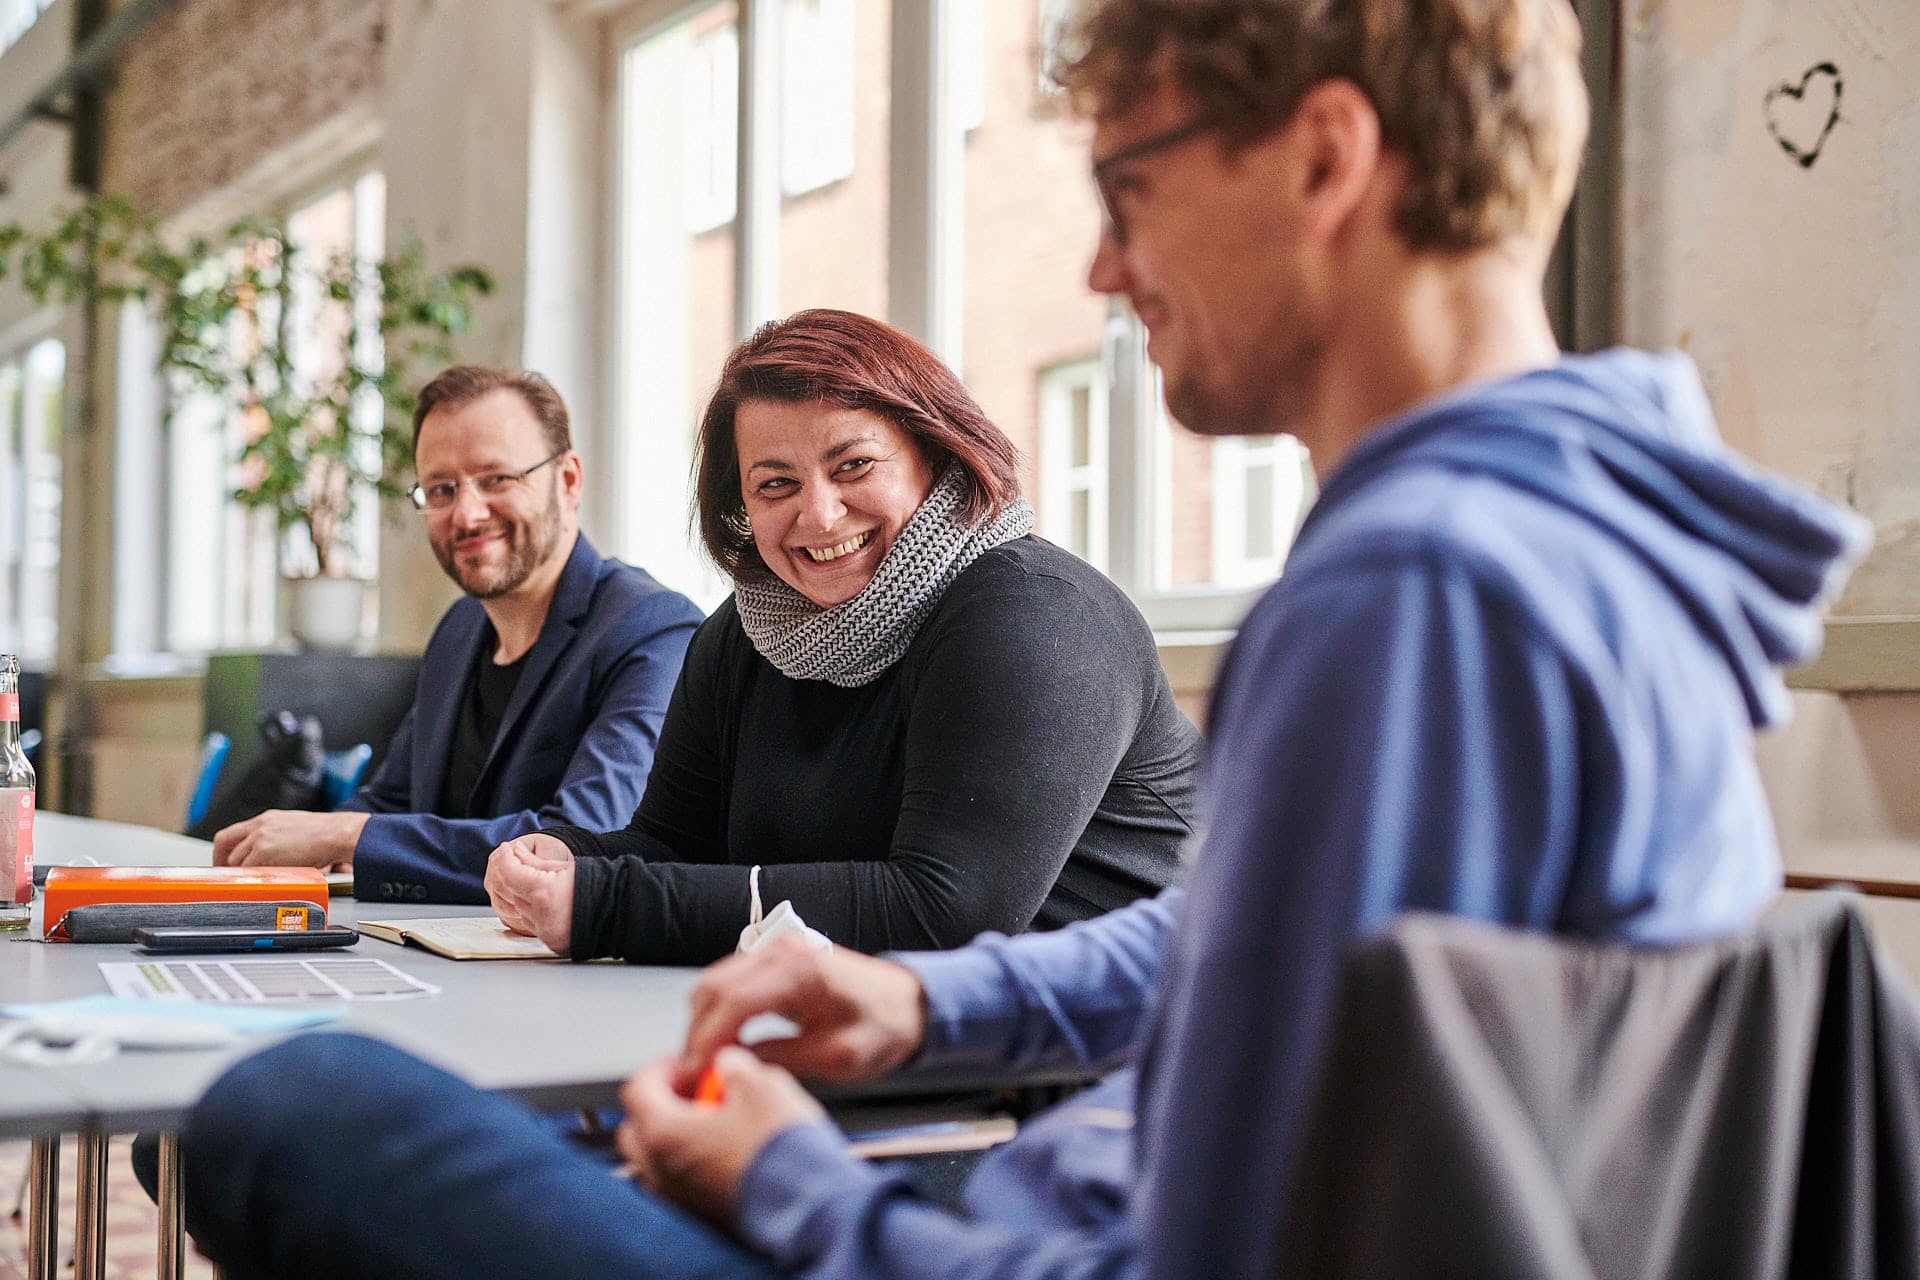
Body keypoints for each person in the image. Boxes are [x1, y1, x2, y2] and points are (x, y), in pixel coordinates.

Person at [174, 1, 1871, 1278]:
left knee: (286, 1108)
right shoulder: (1588, 520)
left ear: (1326, 157)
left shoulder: (1410, 602)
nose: (1104, 261)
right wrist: (921, 1005)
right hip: (1022, 1181)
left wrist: (796, 1190)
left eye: (1131, 183)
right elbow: (1250, 956)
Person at [481, 309, 1200, 964]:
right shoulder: (742, 635)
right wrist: (568, 862)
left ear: (937, 453)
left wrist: (607, 905)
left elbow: (946, 914)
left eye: (853, 466)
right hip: (879, 1039)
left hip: (1118, 1066)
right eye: (775, 484)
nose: (820, 515)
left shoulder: (1035, 614)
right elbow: (673, 846)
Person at [212, 365, 705, 903]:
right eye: (441, 490)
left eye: (496, 479)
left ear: (567, 481)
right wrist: (299, 847)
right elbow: (391, 803)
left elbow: (583, 842)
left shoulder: (654, 630)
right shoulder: (460, 629)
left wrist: (343, 835)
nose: (467, 515)